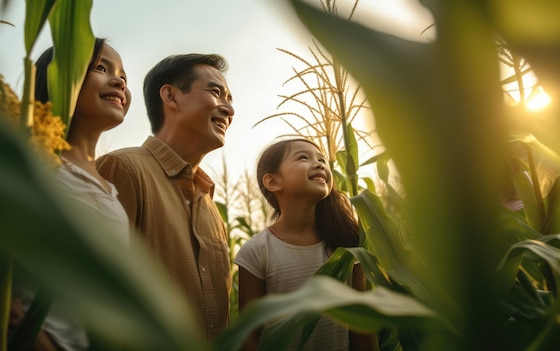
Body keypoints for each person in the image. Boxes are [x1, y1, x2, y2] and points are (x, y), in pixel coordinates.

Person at [95, 53, 234, 340]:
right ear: (171, 96)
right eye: (216, 92)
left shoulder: (209, 203)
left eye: (230, 99)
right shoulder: (122, 170)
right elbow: (97, 295)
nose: (228, 109)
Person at [10, 38, 132, 351]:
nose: (118, 81)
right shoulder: (36, 170)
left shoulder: (112, 193)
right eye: (101, 68)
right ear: (59, 79)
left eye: (123, 75)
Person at [234, 138, 376, 351]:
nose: (320, 164)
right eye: (303, 157)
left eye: (322, 160)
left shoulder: (347, 244)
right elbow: (250, 336)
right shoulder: (256, 252)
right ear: (273, 182)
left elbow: (362, 326)